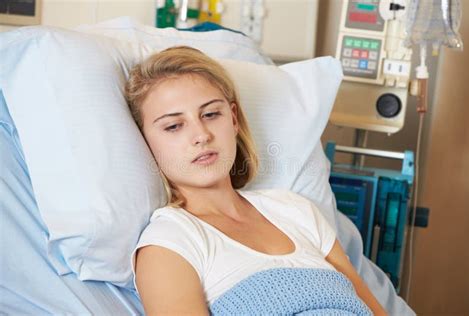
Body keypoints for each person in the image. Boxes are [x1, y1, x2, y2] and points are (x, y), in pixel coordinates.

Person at [125, 46, 387, 315]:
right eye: (173, 126)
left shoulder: (295, 209)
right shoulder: (170, 244)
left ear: (234, 119)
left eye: (211, 114)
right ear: (145, 142)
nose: (201, 135)